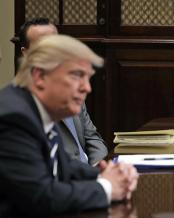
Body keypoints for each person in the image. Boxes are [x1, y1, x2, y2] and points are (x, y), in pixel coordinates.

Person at [0, 34, 138, 216]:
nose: (87, 88)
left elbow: (63, 165)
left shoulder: (41, 109)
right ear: (40, 76)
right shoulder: (13, 117)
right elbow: (41, 197)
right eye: (77, 75)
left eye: (88, 78)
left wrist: (109, 173)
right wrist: (106, 187)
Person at [19, 18, 108, 166]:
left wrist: (99, 166)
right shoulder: (23, 103)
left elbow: (92, 138)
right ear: (26, 53)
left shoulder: (72, 86)